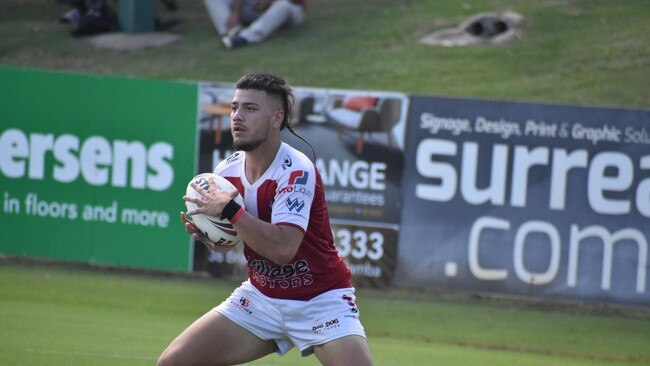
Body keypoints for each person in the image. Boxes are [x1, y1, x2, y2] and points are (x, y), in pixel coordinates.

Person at [157, 73, 374, 366]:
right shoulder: (226, 172)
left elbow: (283, 250)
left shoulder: (296, 169)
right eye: (234, 107)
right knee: (173, 363)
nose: (237, 117)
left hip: (321, 300)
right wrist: (214, 237)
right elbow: (235, 239)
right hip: (261, 299)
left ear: (277, 118)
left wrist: (231, 212)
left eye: (250, 108)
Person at [203, 0, 306, 49]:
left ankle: (244, 38)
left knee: (283, 5)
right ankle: (232, 31)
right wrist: (236, 12)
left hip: (286, 11)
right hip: (253, 9)